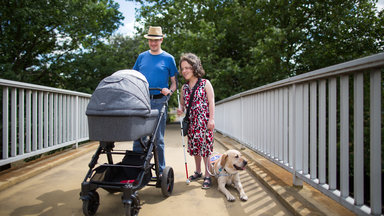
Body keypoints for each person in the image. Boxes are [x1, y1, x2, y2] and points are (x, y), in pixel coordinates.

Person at [132, 26, 178, 175]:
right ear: (148, 41)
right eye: (151, 40)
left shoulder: (169, 59)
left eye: (156, 40)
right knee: (138, 138)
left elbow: (174, 83)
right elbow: (134, 78)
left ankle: (160, 171)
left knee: (158, 139)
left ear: (161, 40)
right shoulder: (141, 57)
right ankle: (137, 169)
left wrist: (169, 92)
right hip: (142, 101)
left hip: (159, 102)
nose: (153, 43)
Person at [177, 53, 215, 189]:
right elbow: (182, 104)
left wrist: (211, 119)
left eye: (188, 67)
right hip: (192, 123)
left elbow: (211, 102)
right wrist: (180, 109)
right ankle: (198, 172)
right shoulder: (184, 88)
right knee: (195, 149)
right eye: (182, 68)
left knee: (206, 149)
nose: (185, 71)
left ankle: (208, 175)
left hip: (204, 123)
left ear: (195, 67)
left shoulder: (205, 83)